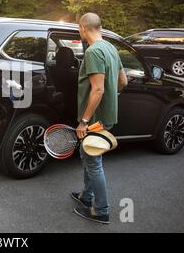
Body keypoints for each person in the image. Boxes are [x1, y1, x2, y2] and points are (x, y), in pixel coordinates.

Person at [71, 12, 128, 224]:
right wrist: (113, 95)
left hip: (95, 118)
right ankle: (86, 197)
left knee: (93, 162)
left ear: (83, 29)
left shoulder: (93, 51)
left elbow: (97, 89)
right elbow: (123, 80)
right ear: (100, 27)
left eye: (80, 29)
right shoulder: (111, 48)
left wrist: (84, 121)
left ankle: (101, 210)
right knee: (88, 154)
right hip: (107, 115)